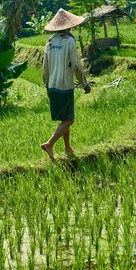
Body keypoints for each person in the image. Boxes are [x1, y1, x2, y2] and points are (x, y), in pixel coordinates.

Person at [41, 9, 91, 161]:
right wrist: (84, 84)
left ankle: (67, 147)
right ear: (69, 26)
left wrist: (47, 85)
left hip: (53, 86)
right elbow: (76, 65)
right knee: (69, 120)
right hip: (65, 85)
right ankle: (49, 143)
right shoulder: (69, 41)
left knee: (64, 117)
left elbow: (45, 66)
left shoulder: (49, 41)